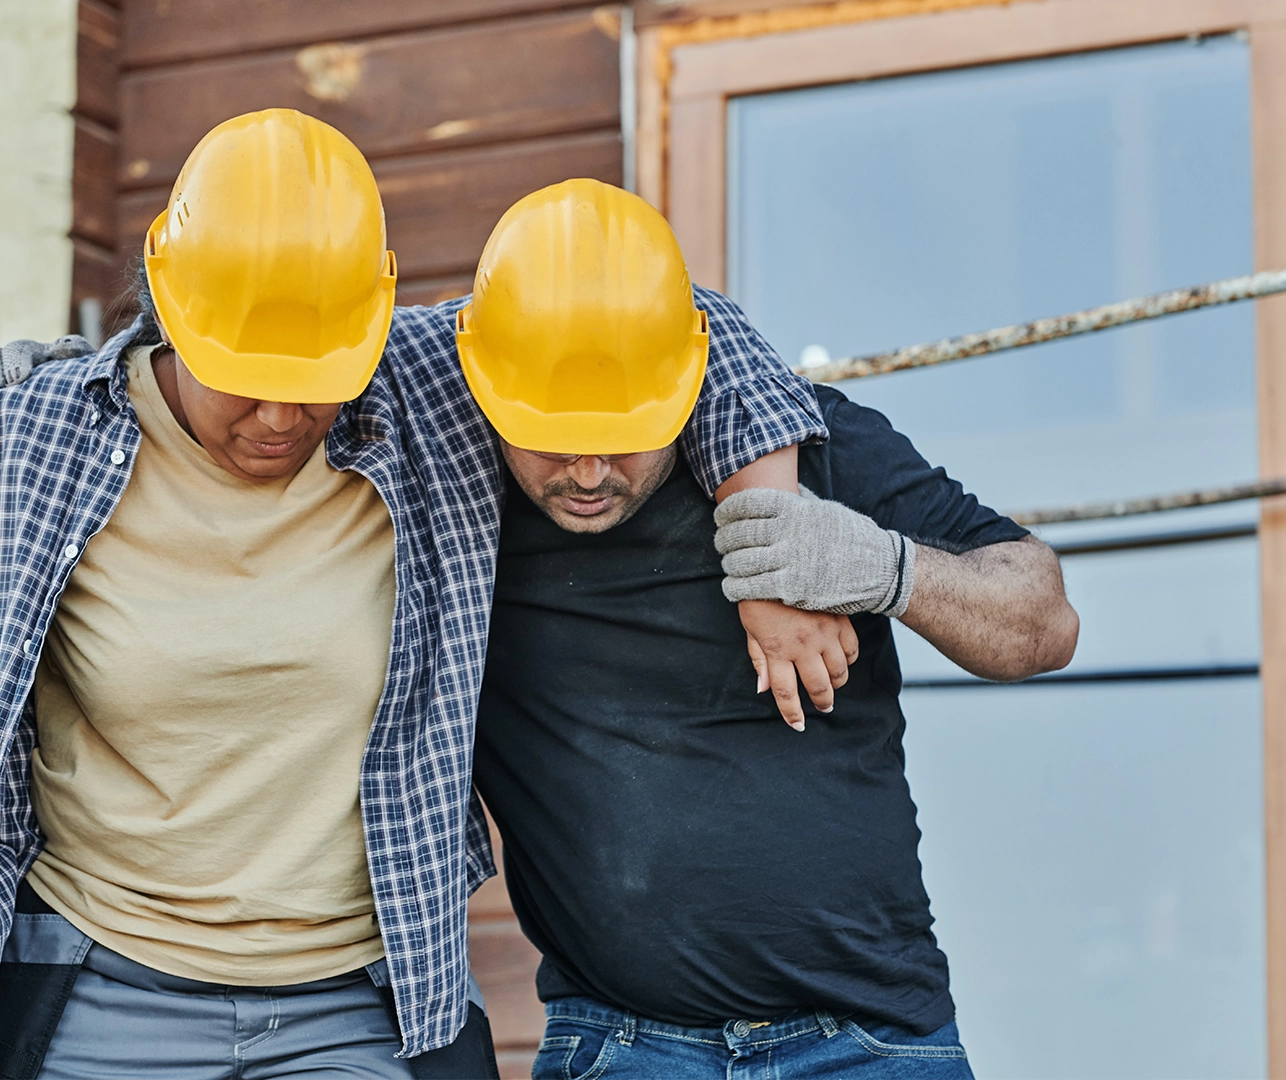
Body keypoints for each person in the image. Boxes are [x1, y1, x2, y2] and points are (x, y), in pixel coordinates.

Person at [0, 114, 827, 1080]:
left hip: (357, 1003)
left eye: (317, 374)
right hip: (103, 991)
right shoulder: (42, 432)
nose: (282, 413)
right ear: (171, 312)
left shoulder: (419, 388)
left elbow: (692, 324)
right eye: (241, 373)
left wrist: (773, 553)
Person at [459, 182, 1080, 1077]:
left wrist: (886, 568)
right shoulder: (465, 510)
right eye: (552, 437)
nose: (588, 470)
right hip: (623, 1043)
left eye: (625, 431)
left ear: (684, 377)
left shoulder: (817, 448)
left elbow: (1044, 623)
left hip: (869, 1040)